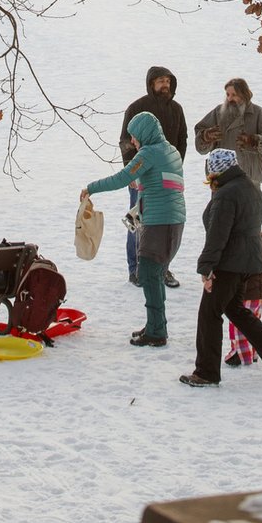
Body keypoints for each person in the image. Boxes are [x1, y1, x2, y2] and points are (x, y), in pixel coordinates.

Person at [179, 150, 262, 387]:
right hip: (248, 262)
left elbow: (218, 235)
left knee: (209, 314)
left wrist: (206, 268)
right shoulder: (249, 187)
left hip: (229, 263)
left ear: (216, 170)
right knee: (235, 310)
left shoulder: (226, 195)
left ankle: (206, 372)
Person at [82, 112, 185, 347]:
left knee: (148, 273)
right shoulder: (170, 150)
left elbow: (121, 178)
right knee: (154, 274)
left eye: (135, 137)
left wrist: (91, 188)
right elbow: (164, 183)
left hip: (160, 223)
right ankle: (155, 325)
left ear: (144, 134)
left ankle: (157, 332)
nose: (133, 142)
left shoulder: (149, 152)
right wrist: (139, 185)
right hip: (172, 221)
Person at [121, 67, 188, 288]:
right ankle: (137, 269)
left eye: (168, 81)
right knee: (138, 221)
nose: (165, 85)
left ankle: (162, 268)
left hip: (168, 178)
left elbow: (182, 140)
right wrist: (131, 171)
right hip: (140, 176)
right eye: (160, 81)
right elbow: (125, 141)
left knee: (165, 225)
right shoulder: (137, 108)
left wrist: (176, 167)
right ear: (151, 84)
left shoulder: (176, 109)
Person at [194, 78, 262, 186]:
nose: (230, 99)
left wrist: (254, 140)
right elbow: (199, 143)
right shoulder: (218, 113)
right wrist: (206, 137)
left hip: (250, 180)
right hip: (221, 179)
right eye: (227, 94)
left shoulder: (258, 113)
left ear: (244, 95)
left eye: (234, 95)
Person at [225, 230, 262, 367]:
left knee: (239, 326)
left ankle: (241, 355)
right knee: (253, 324)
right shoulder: (261, 256)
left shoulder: (250, 257)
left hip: (248, 296)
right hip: (260, 296)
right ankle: (252, 353)